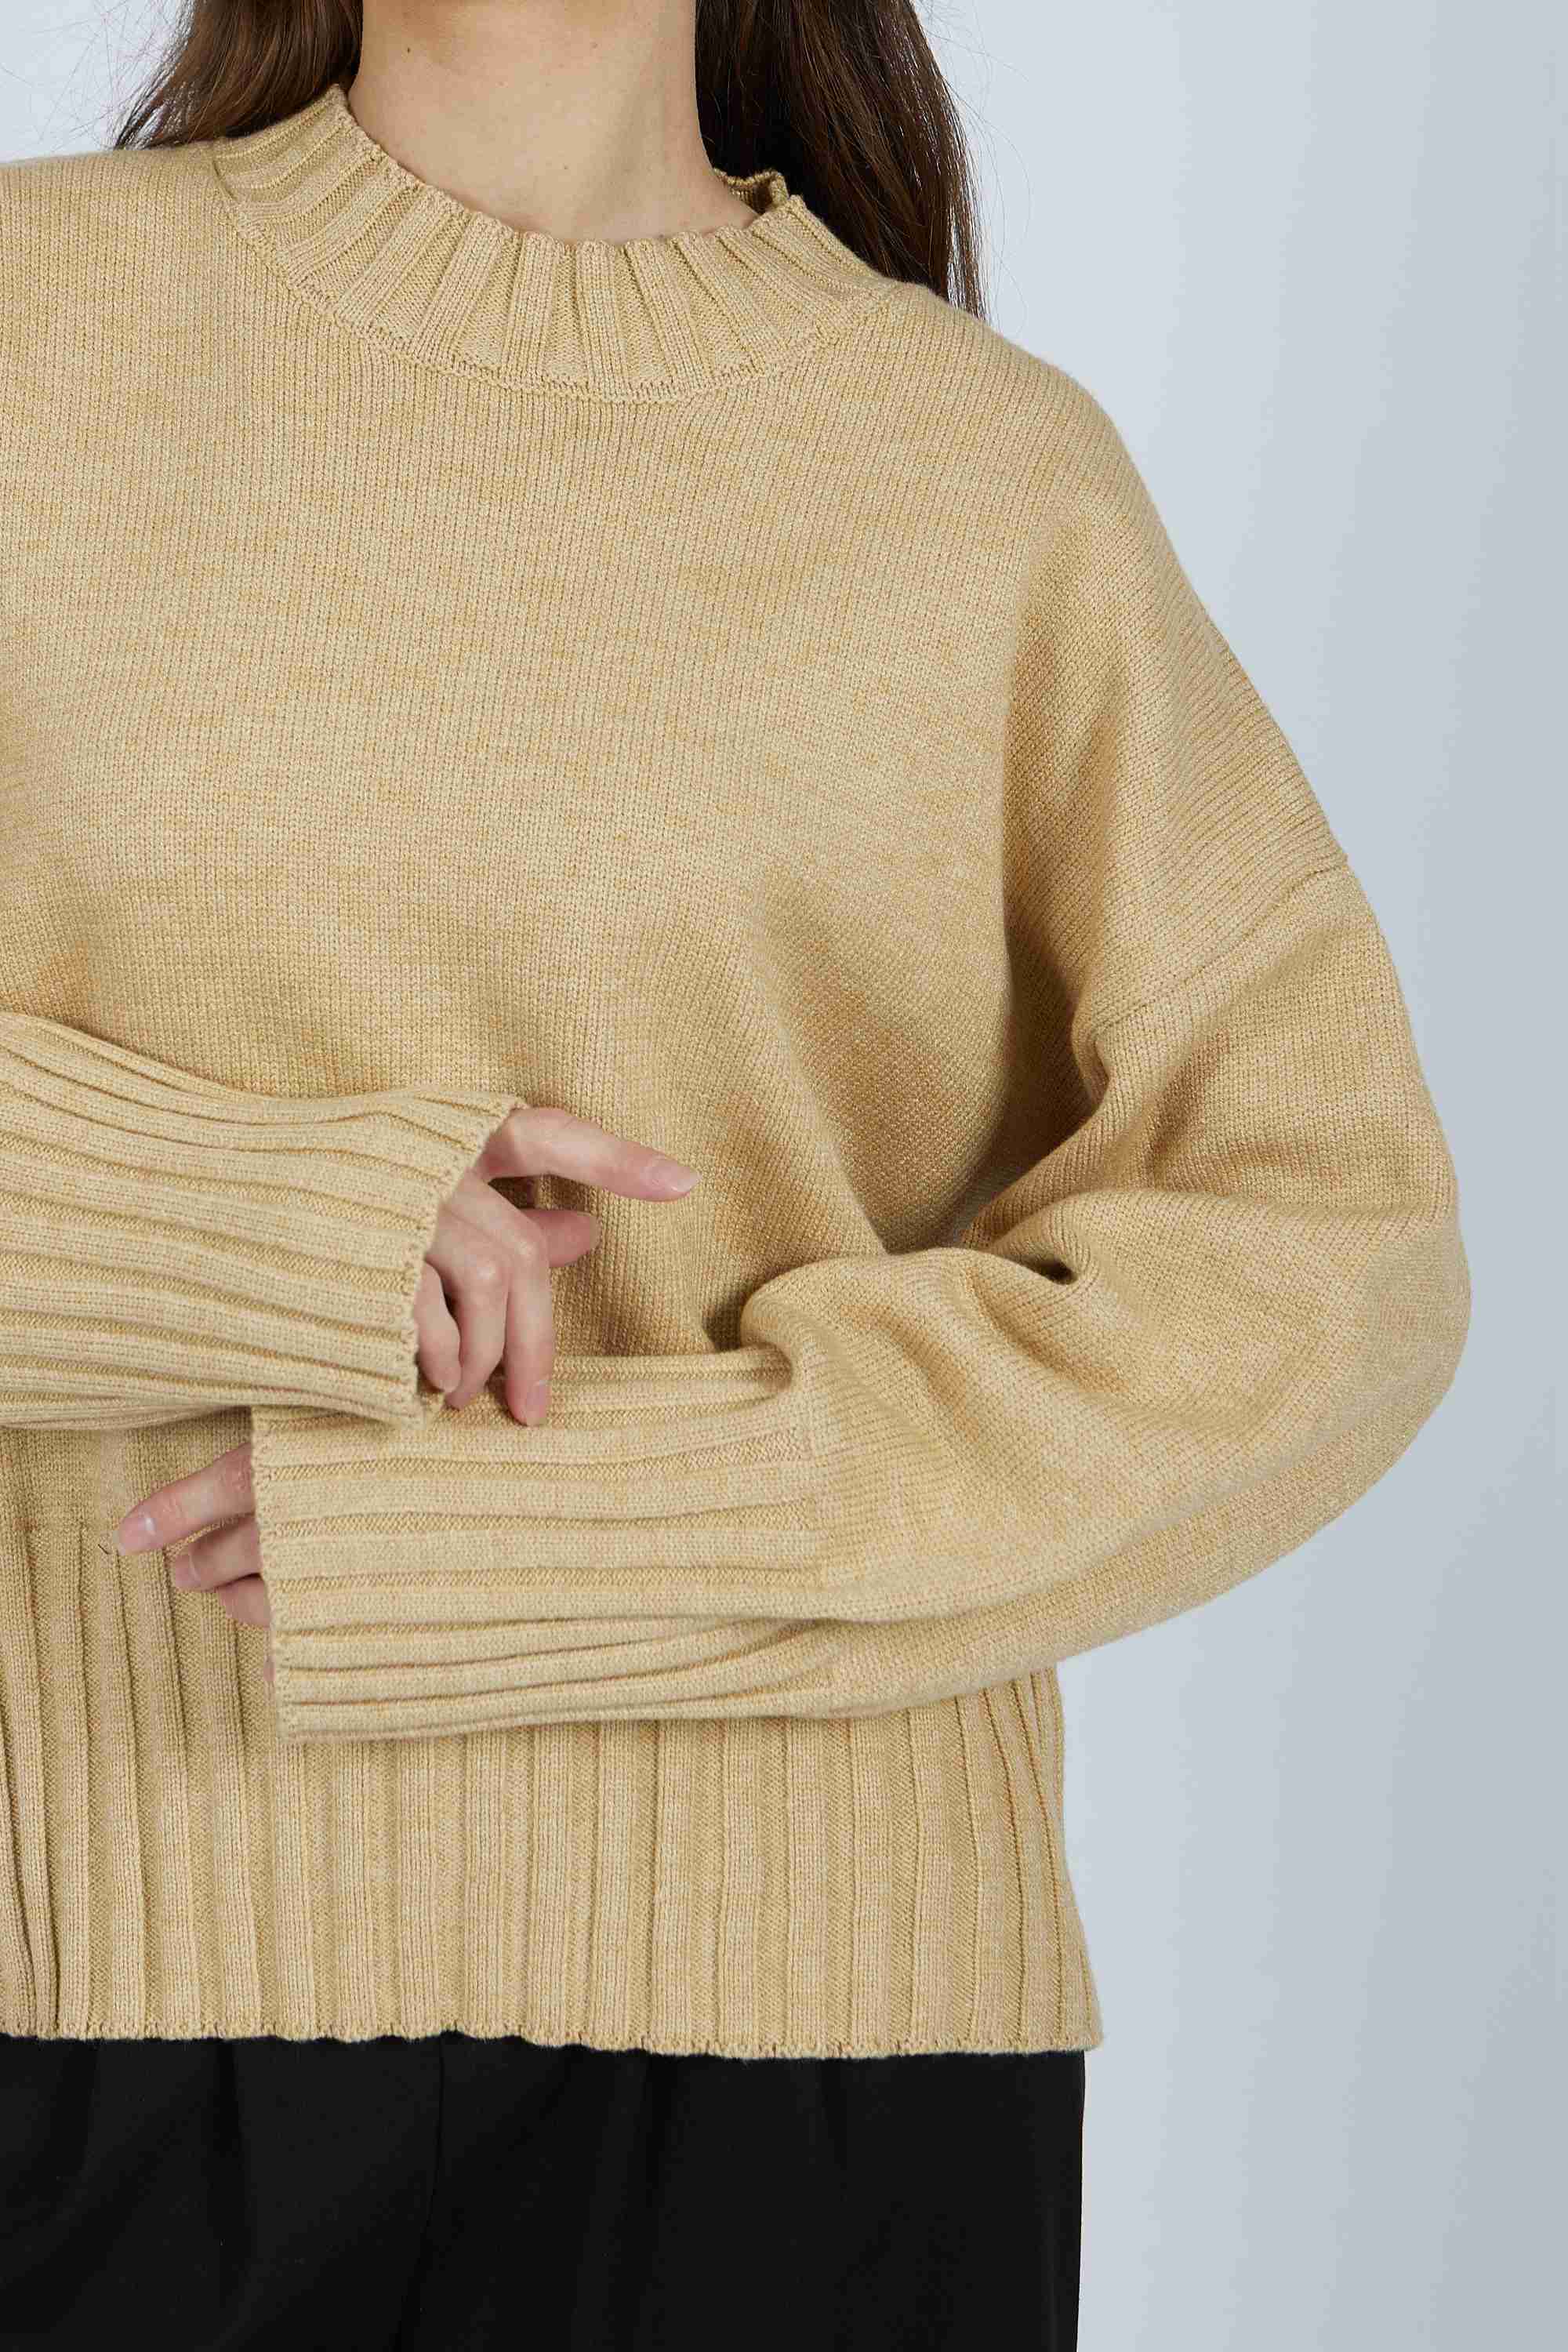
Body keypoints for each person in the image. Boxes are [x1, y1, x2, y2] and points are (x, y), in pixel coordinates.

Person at [0, 1, 1470, 2344]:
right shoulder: (40, 324)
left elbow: (1329, 1251)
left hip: (828, 2046)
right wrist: (272, 1220)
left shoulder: (983, 475)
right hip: (102, 1987)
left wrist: (583, 1526)